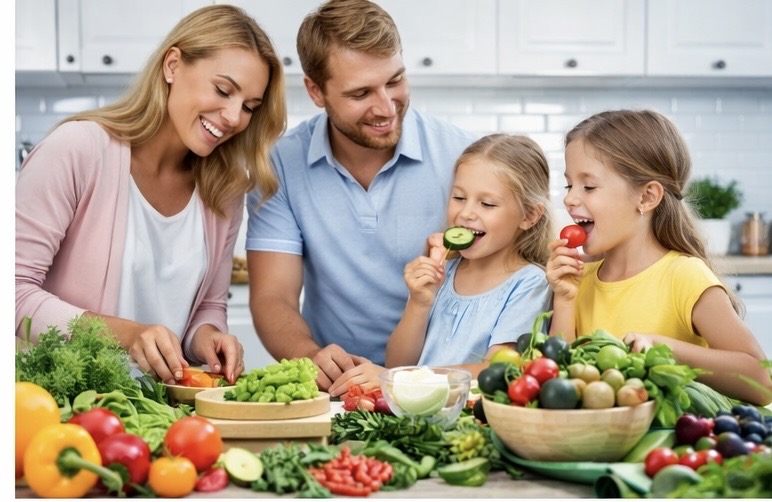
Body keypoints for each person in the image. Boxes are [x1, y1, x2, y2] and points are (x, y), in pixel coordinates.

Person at [15, 4, 287, 385]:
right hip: (61, 405)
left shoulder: (225, 189)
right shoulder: (78, 150)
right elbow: (13, 292)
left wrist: (209, 337)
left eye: (249, 107)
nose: (233, 117)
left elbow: (207, 307)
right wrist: (128, 335)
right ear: (172, 65)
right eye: (223, 90)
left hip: (161, 408)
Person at [245, 0, 478, 391]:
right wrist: (309, 356)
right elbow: (274, 296)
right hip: (339, 387)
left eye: (395, 81)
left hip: (441, 385)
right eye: (360, 93)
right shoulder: (281, 164)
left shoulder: (462, 156)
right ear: (316, 91)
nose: (385, 107)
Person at [546, 109, 771, 405]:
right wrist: (564, 301)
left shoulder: (683, 276)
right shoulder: (579, 278)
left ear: (647, 197)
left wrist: (664, 348)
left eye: (588, 186)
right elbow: (557, 388)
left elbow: (761, 382)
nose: (569, 198)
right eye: (569, 185)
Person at [328, 134, 555, 394]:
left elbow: (497, 371)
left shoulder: (530, 284)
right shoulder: (443, 272)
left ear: (529, 215)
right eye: (459, 198)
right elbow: (396, 364)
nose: (465, 213)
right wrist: (419, 302)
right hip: (419, 411)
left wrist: (402, 380)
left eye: (487, 204)